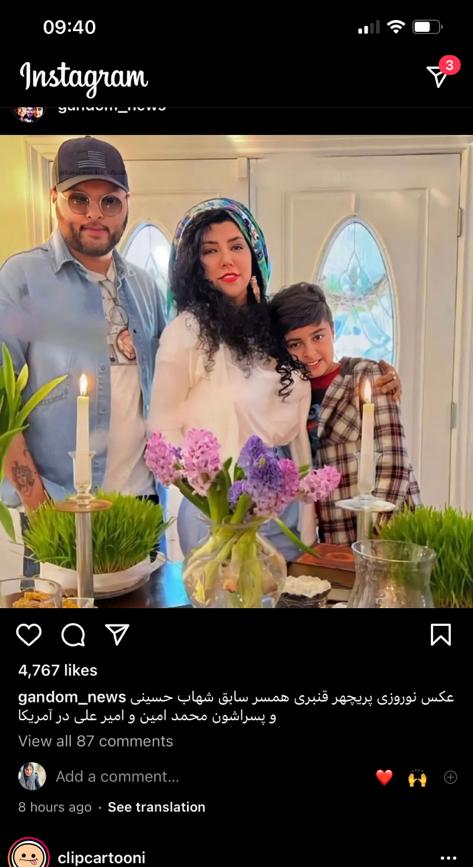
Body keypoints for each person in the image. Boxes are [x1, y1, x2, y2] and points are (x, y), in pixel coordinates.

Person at [149, 198, 400, 560]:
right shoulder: (186, 333)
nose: (227, 259)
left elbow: (313, 361)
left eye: (237, 246)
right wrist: (208, 489)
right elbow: (162, 429)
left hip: (284, 511)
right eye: (210, 250)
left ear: (253, 254)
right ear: (195, 265)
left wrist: (371, 373)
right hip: (218, 516)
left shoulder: (270, 325)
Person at [0, 136, 165, 515]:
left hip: (143, 501)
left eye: (110, 201)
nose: (95, 214)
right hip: (60, 504)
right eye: (79, 199)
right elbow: (1, 403)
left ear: (127, 203)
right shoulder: (22, 278)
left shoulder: (146, 287)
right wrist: (39, 504)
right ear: (54, 197)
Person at [269, 282, 420, 545]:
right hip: (330, 537)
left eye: (318, 337)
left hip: (383, 536)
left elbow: (394, 465)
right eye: (295, 344)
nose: (309, 352)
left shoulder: (366, 376)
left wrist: (373, 538)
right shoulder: (285, 393)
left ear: (333, 331)